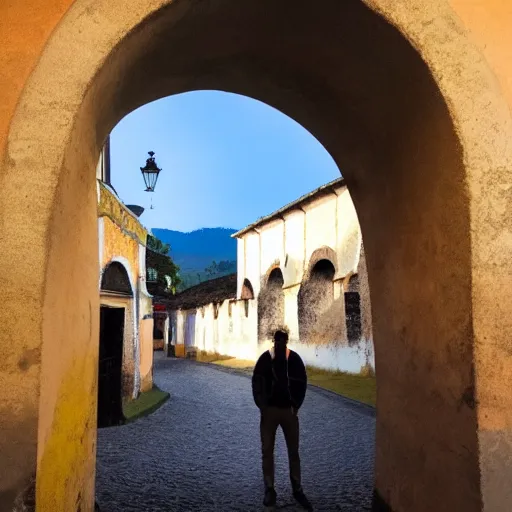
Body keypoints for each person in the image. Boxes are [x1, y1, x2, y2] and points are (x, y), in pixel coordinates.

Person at [252, 329, 312, 510]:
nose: (280, 344)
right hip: (270, 410)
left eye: (282, 341)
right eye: (278, 341)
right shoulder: (265, 359)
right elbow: (256, 382)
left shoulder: (293, 360)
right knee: (268, 450)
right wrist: (262, 406)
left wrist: (296, 405)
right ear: (274, 341)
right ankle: (269, 488)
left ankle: (296, 487)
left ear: (286, 341)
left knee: (293, 451)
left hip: (288, 411)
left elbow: (302, 382)